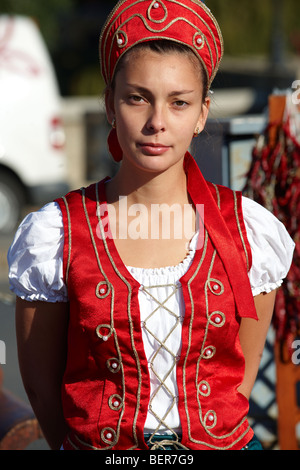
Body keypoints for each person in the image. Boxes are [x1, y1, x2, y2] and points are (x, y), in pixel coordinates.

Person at [7, 0, 295, 451]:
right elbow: (43, 391)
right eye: (137, 97)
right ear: (109, 103)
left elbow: (239, 381)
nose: (157, 122)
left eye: (179, 102)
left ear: (202, 113)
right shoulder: (56, 233)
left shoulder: (247, 230)